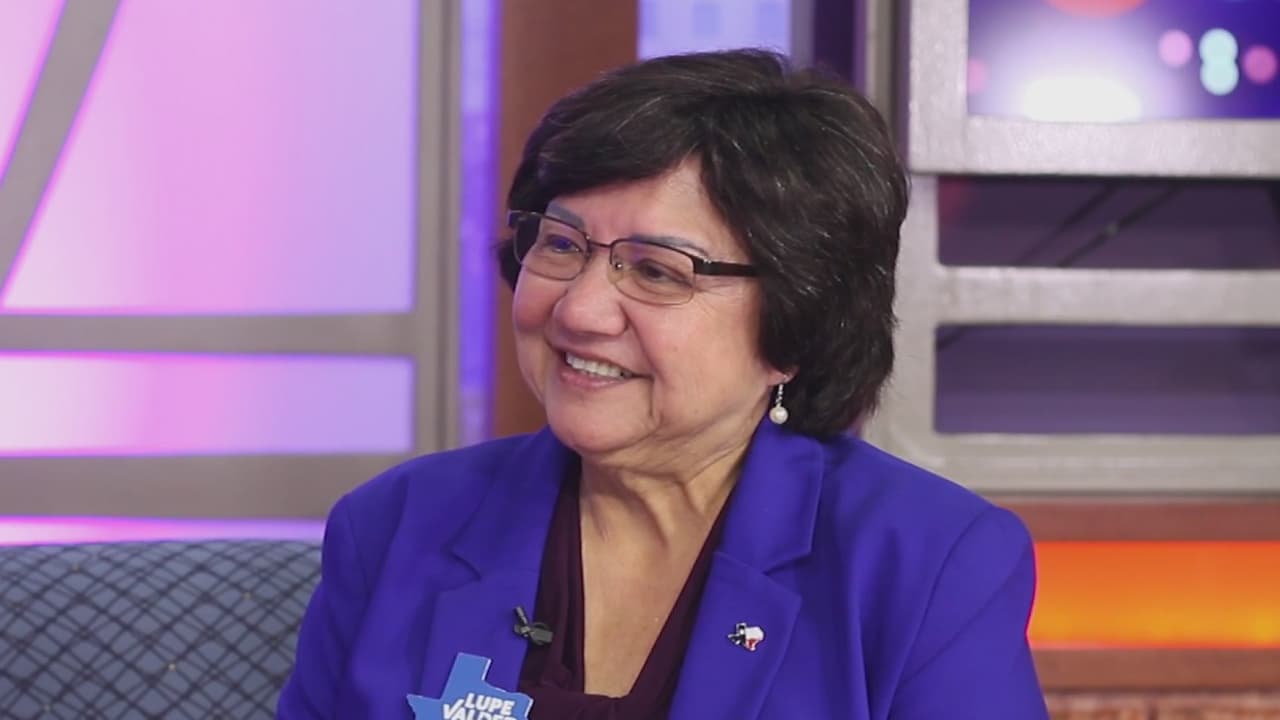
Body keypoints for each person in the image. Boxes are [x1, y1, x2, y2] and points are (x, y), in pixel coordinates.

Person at [278, 49, 1049, 719]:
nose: (578, 310)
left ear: (797, 325)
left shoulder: (928, 564)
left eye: (655, 271)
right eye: (561, 244)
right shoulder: (397, 526)